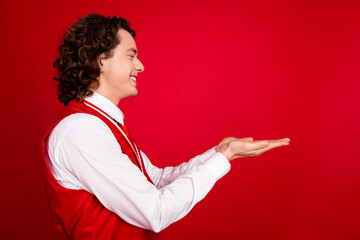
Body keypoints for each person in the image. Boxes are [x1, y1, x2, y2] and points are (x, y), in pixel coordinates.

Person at [42, 13, 290, 240]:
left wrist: (222, 151)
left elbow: (156, 180)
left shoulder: (105, 124)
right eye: (131, 55)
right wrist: (224, 157)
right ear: (101, 60)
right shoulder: (81, 130)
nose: (140, 66)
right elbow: (155, 211)